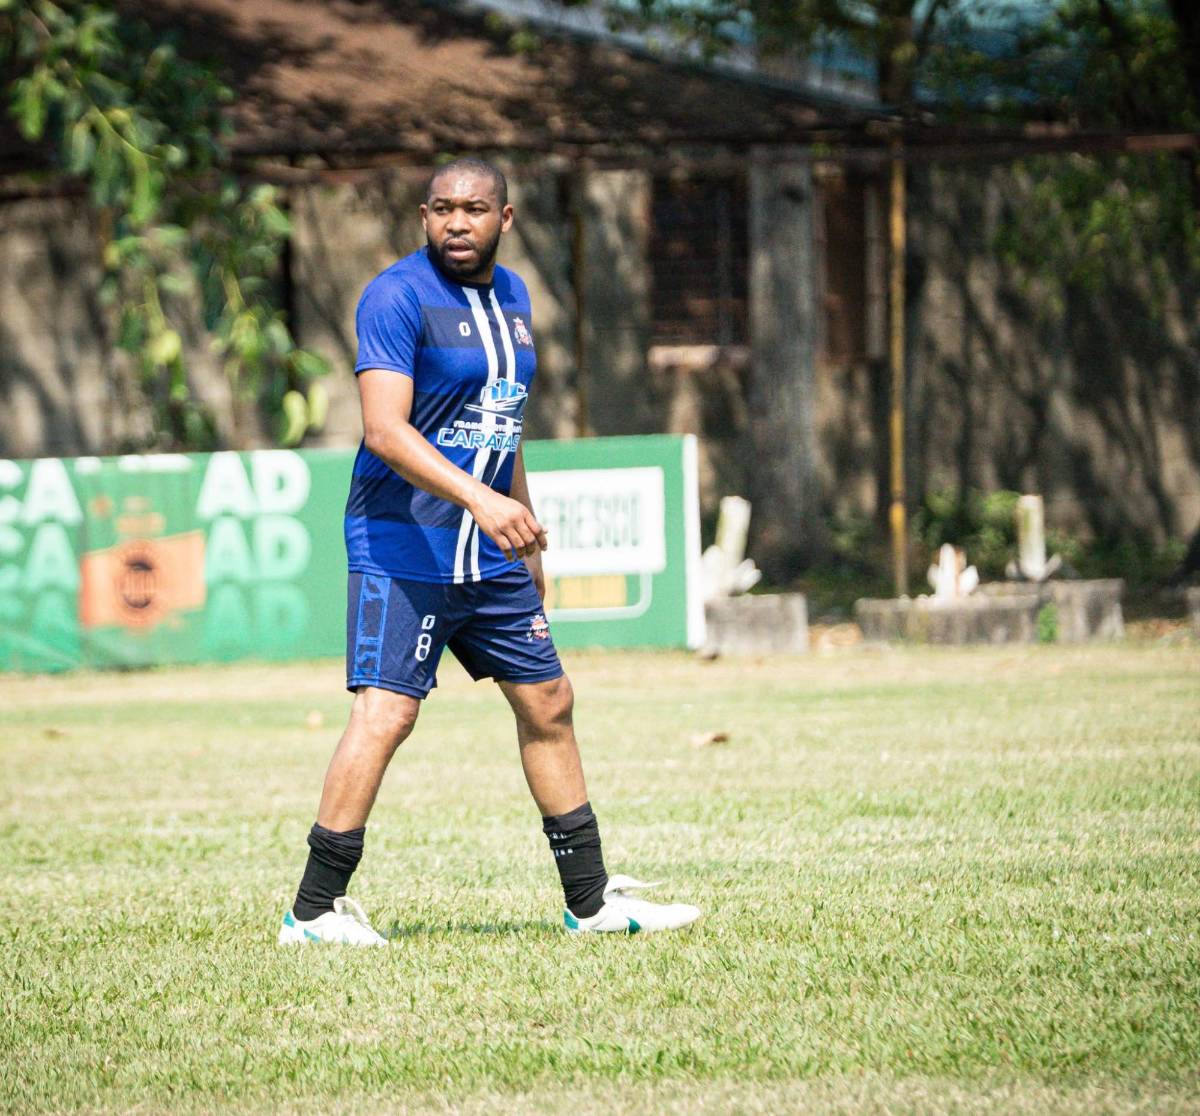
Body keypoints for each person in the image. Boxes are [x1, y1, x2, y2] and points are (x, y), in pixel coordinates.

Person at [278, 157, 701, 945]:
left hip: (490, 548)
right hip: (404, 541)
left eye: (473, 209)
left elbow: (503, 421)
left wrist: (524, 524)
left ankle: (589, 903)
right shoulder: (396, 296)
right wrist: (481, 499)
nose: (456, 222)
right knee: (388, 713)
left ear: (505, 219)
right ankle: (312, 912)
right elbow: (384, 431)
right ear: (424, 217)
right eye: (441, 208)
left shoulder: (513, 296)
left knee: (549, 701)